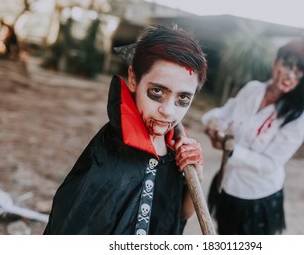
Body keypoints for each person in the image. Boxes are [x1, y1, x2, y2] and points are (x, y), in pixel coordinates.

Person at [44, 24, 207, 235]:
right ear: (133, 78)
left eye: (183, 98)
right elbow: (74, 222)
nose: (168, 111)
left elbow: (180, 214)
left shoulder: (176, 148)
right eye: (157, 91)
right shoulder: (109, 150)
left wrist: (196, 173)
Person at [202, 36, 304, 235]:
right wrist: (212, 122)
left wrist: (229, 148)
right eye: (287, 65)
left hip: (256, 196)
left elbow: (269, 163)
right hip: (226, 183)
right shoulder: (252, 89)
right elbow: (227, 112)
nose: (290, 75)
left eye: (298, 72)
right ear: (275, 61)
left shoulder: (297, 118)